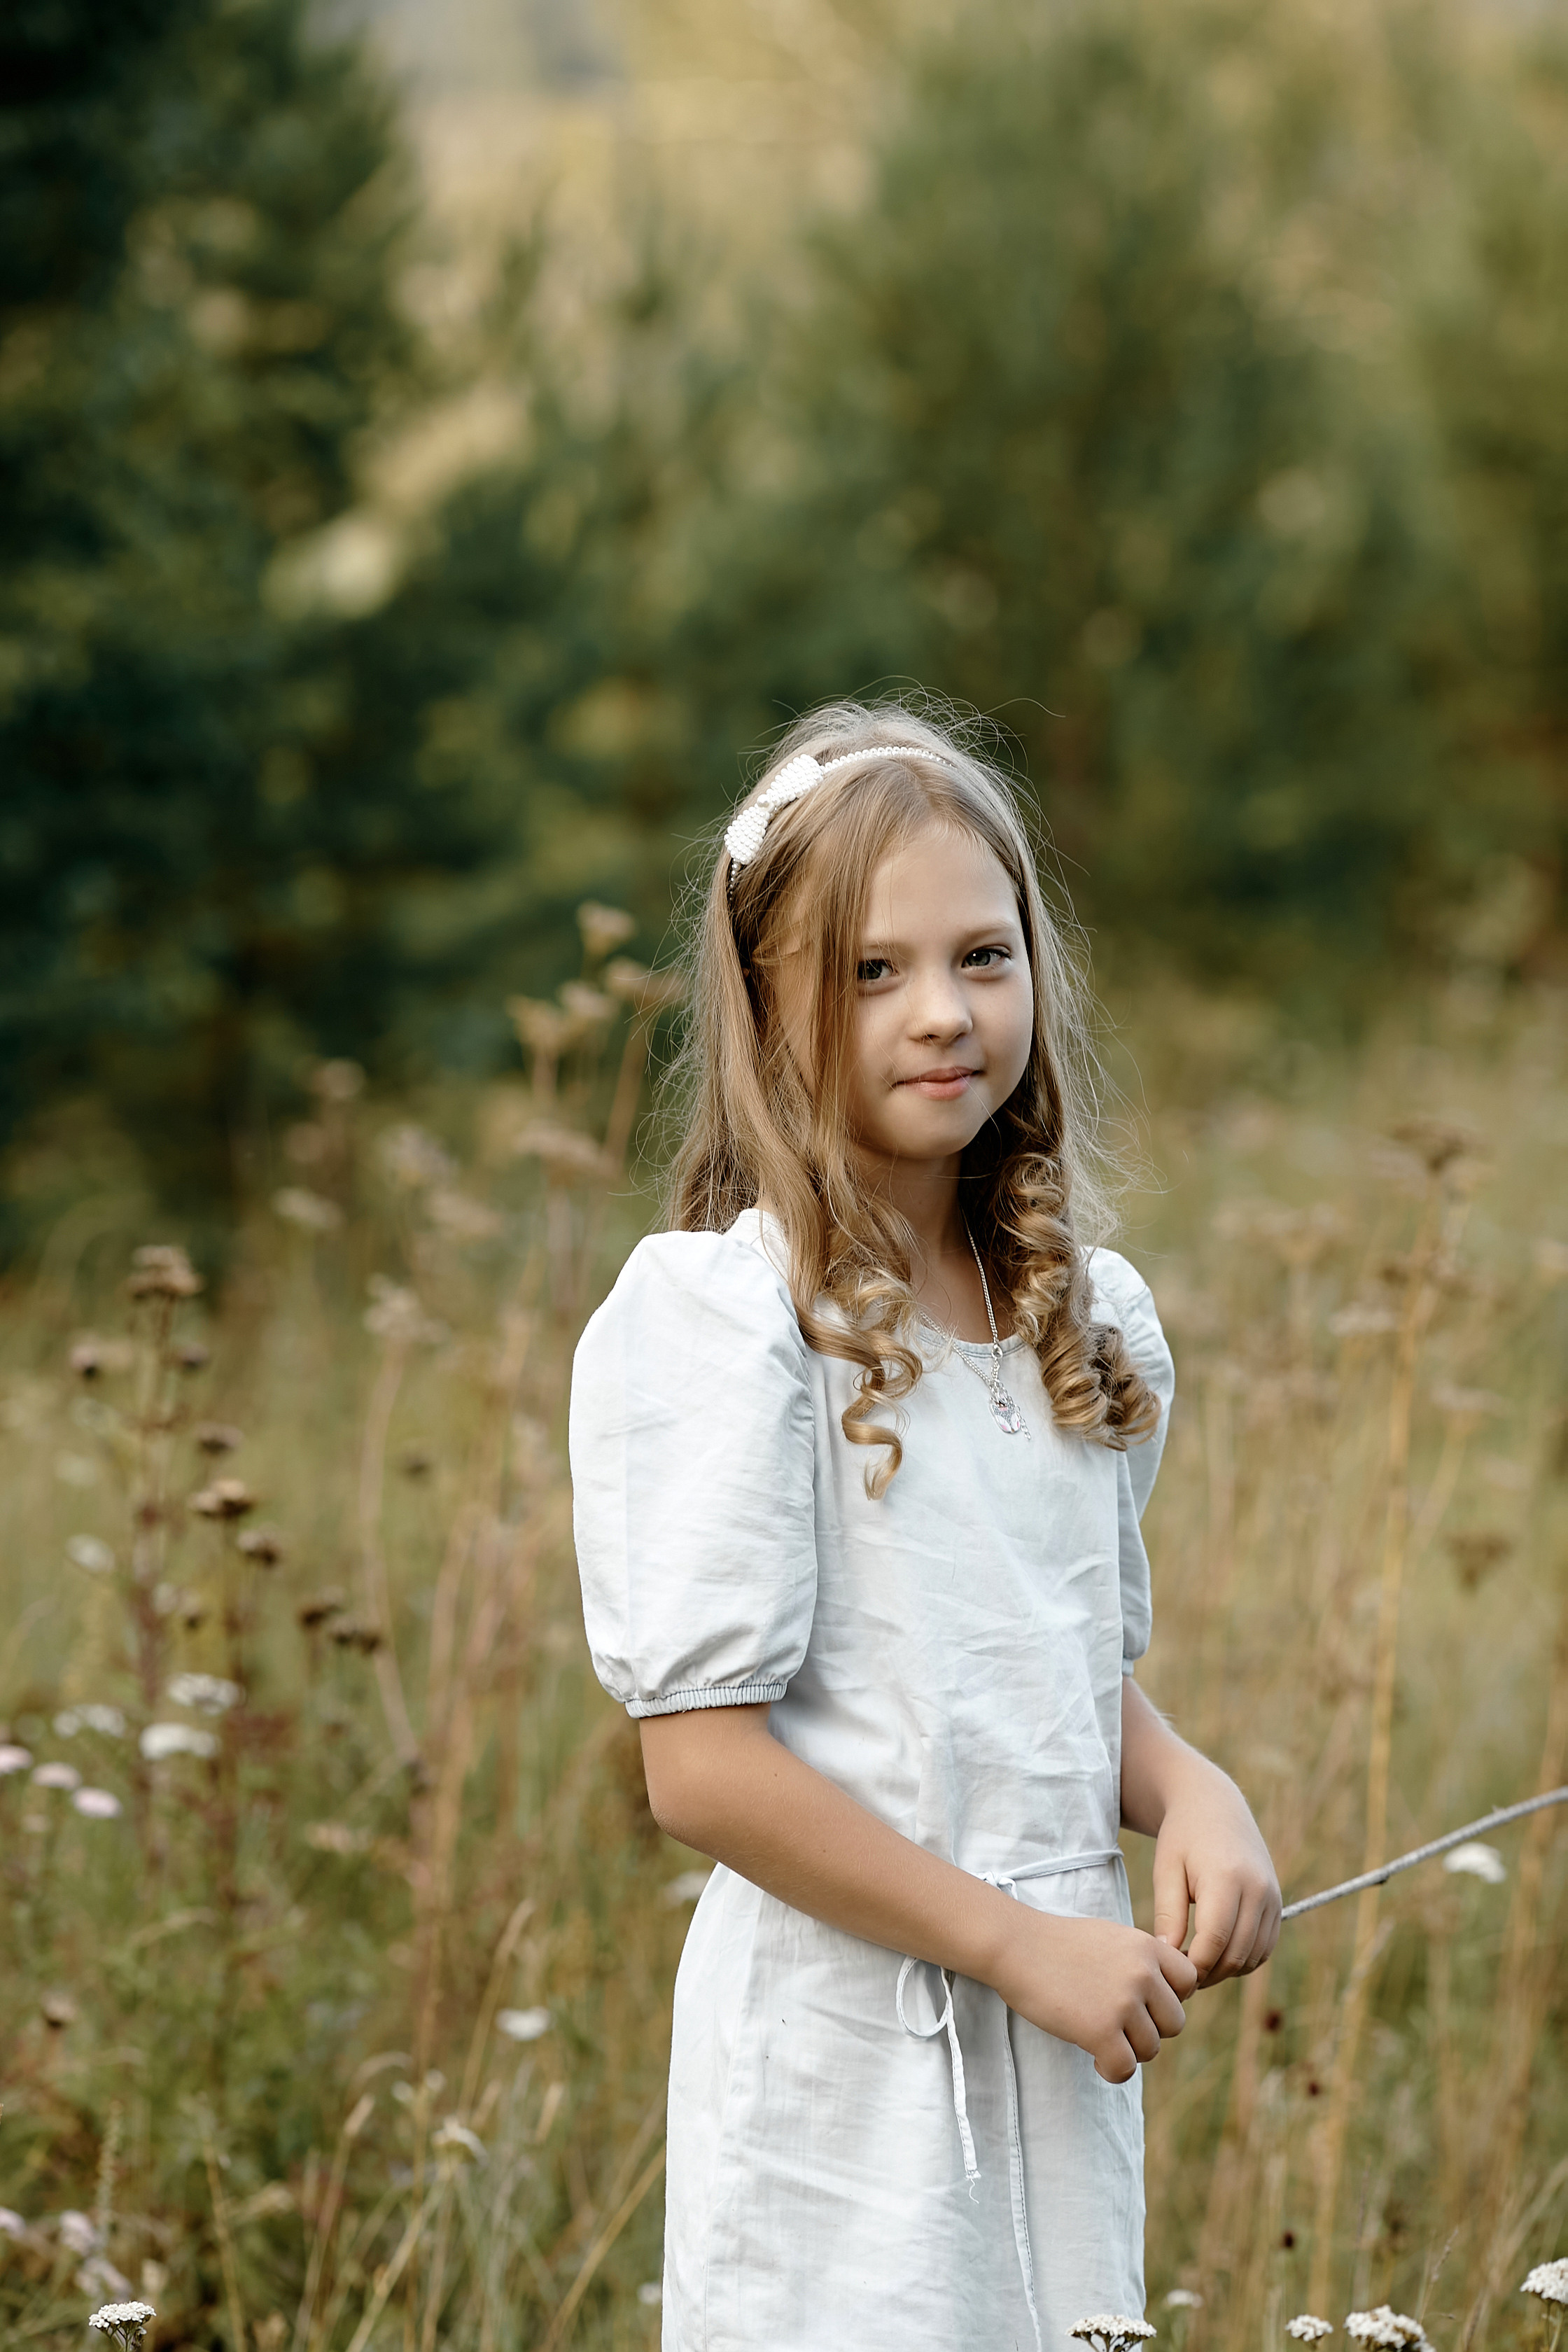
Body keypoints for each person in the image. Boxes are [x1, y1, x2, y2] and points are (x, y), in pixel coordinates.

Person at [569, 702, 1280, 2352]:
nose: (944, 1012)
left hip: (1054, 2028)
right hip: (848, 2048)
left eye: (983, 954)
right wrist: (1015, 1942)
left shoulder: (1077, 1319)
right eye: (872, 972)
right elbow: (705, 1766)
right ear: (767, 1006)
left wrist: (1188, 1789)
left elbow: (1029, 1666)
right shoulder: (731, 1325)